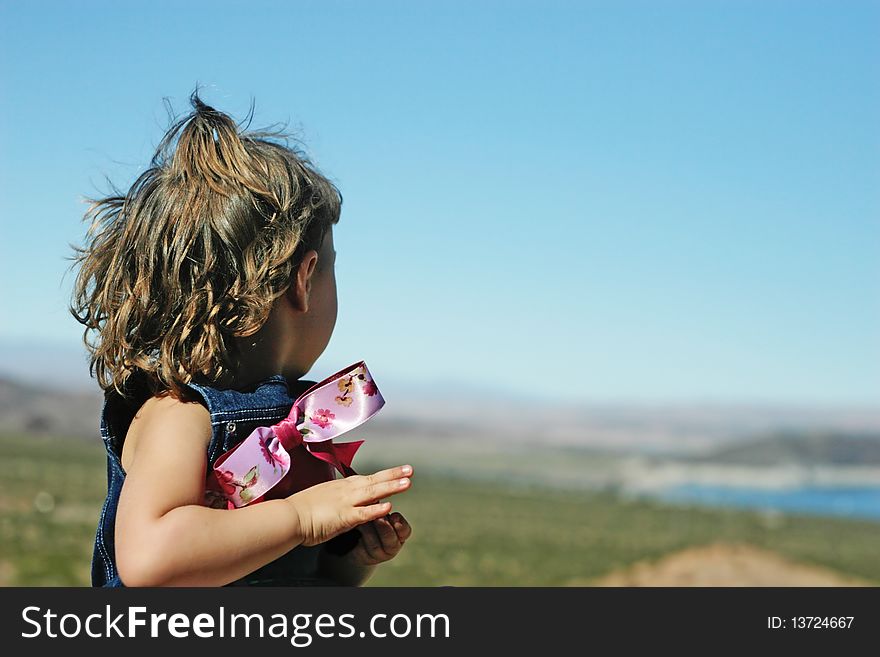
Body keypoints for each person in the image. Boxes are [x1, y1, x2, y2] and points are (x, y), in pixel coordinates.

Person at [68, 89, 413, 587]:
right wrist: (301, 519)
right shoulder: (181, 415)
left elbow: (295, 573)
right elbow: (151, 559)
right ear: (303, 279)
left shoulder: (295, 424)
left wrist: (350, 555)